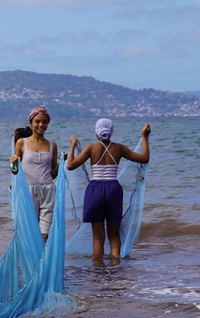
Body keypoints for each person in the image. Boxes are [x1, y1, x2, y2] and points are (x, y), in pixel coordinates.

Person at [67, 118, 150, 258]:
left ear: (96, 133)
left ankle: (99, 271)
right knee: (114, 235)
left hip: (95, 190)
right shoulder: (119, 148)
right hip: (113, 190)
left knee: (98, 237)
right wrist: (144, 137)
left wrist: (73, 145)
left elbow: (70, 165)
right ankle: (115, 267)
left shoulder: (91, 148)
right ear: (111, 132)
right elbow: (144, 158)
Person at [10, 106, 59, 242]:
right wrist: (13, 163)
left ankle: (41, 261)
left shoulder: (52, 145)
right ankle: (30, 261)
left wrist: (62, 164)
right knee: (29, 230)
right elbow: (15, 172)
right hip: (28, 189)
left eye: (44, 122)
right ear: (31, 123)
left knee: (45, 233)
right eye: (37, 121)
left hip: (48, 190)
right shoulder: (21, 143)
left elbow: (53, 174)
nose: (41, 125)